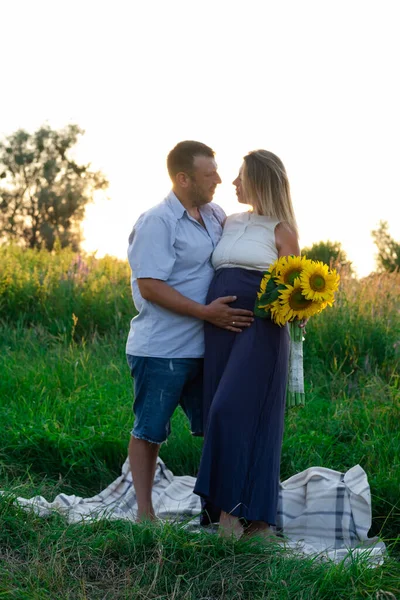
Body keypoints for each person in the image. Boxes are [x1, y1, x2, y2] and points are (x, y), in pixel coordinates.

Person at [126, 140, 254, 522]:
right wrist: (205, 313)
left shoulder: (215, 215)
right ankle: (145, 515)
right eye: (208, 174)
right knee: (150, 431)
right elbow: (149, 285)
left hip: (208, 346)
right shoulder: (156, 222)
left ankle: (216, 510)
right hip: (161, 349)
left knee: (216, 427)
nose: (219, 179)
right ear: (183, 179)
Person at [194, 149, 303, 539]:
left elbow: (295, 288)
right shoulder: (228, 220)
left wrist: (300, 308)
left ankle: (229, 516)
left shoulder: (282, 230)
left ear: (259, 179)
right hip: (220, 326)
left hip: (261, 327)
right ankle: (252, 520)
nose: (233, 183)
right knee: (220, 416)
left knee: (233, 411)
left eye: (240, 176)